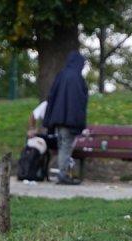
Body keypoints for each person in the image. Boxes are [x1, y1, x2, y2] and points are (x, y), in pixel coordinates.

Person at [42, 51, 88, 186]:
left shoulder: (61, 75)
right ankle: (63, 174)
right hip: (70, 119)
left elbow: (52, 96)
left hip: (58, 118)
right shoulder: (77, 78)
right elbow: (80, 100)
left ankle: (63, 173)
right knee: (66, 146)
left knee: (62, 144)